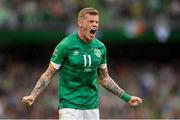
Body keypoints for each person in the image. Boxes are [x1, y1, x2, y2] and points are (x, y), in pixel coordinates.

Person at [22, 7, 143, 120]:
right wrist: (33, 95)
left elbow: (104, 79)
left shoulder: (100, 48)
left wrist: (127, 98)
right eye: (91, 21)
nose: (95, 24)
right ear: (80, 23)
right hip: (69, 106)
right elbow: (48, 74)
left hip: (92, 106)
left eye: (96, 22)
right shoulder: (66, 45)